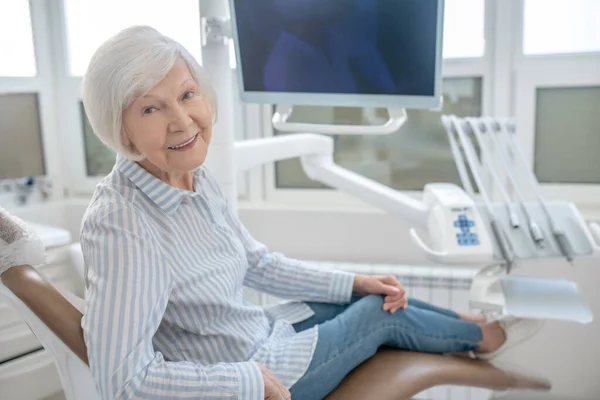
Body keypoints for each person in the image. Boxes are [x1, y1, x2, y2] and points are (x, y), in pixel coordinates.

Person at [67, 25, 540, 400]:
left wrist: (354, 282)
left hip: (263, 333)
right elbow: (122, 384)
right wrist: (246, 383)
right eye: (151, 109)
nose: (182, 121)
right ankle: (485, 337)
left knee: (366, 295)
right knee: (380, 314)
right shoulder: (121, 224)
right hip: (256, 374)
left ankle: (467, 323)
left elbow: (256, 263)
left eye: (187, 95)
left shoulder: (194, 176)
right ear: (121, 130)